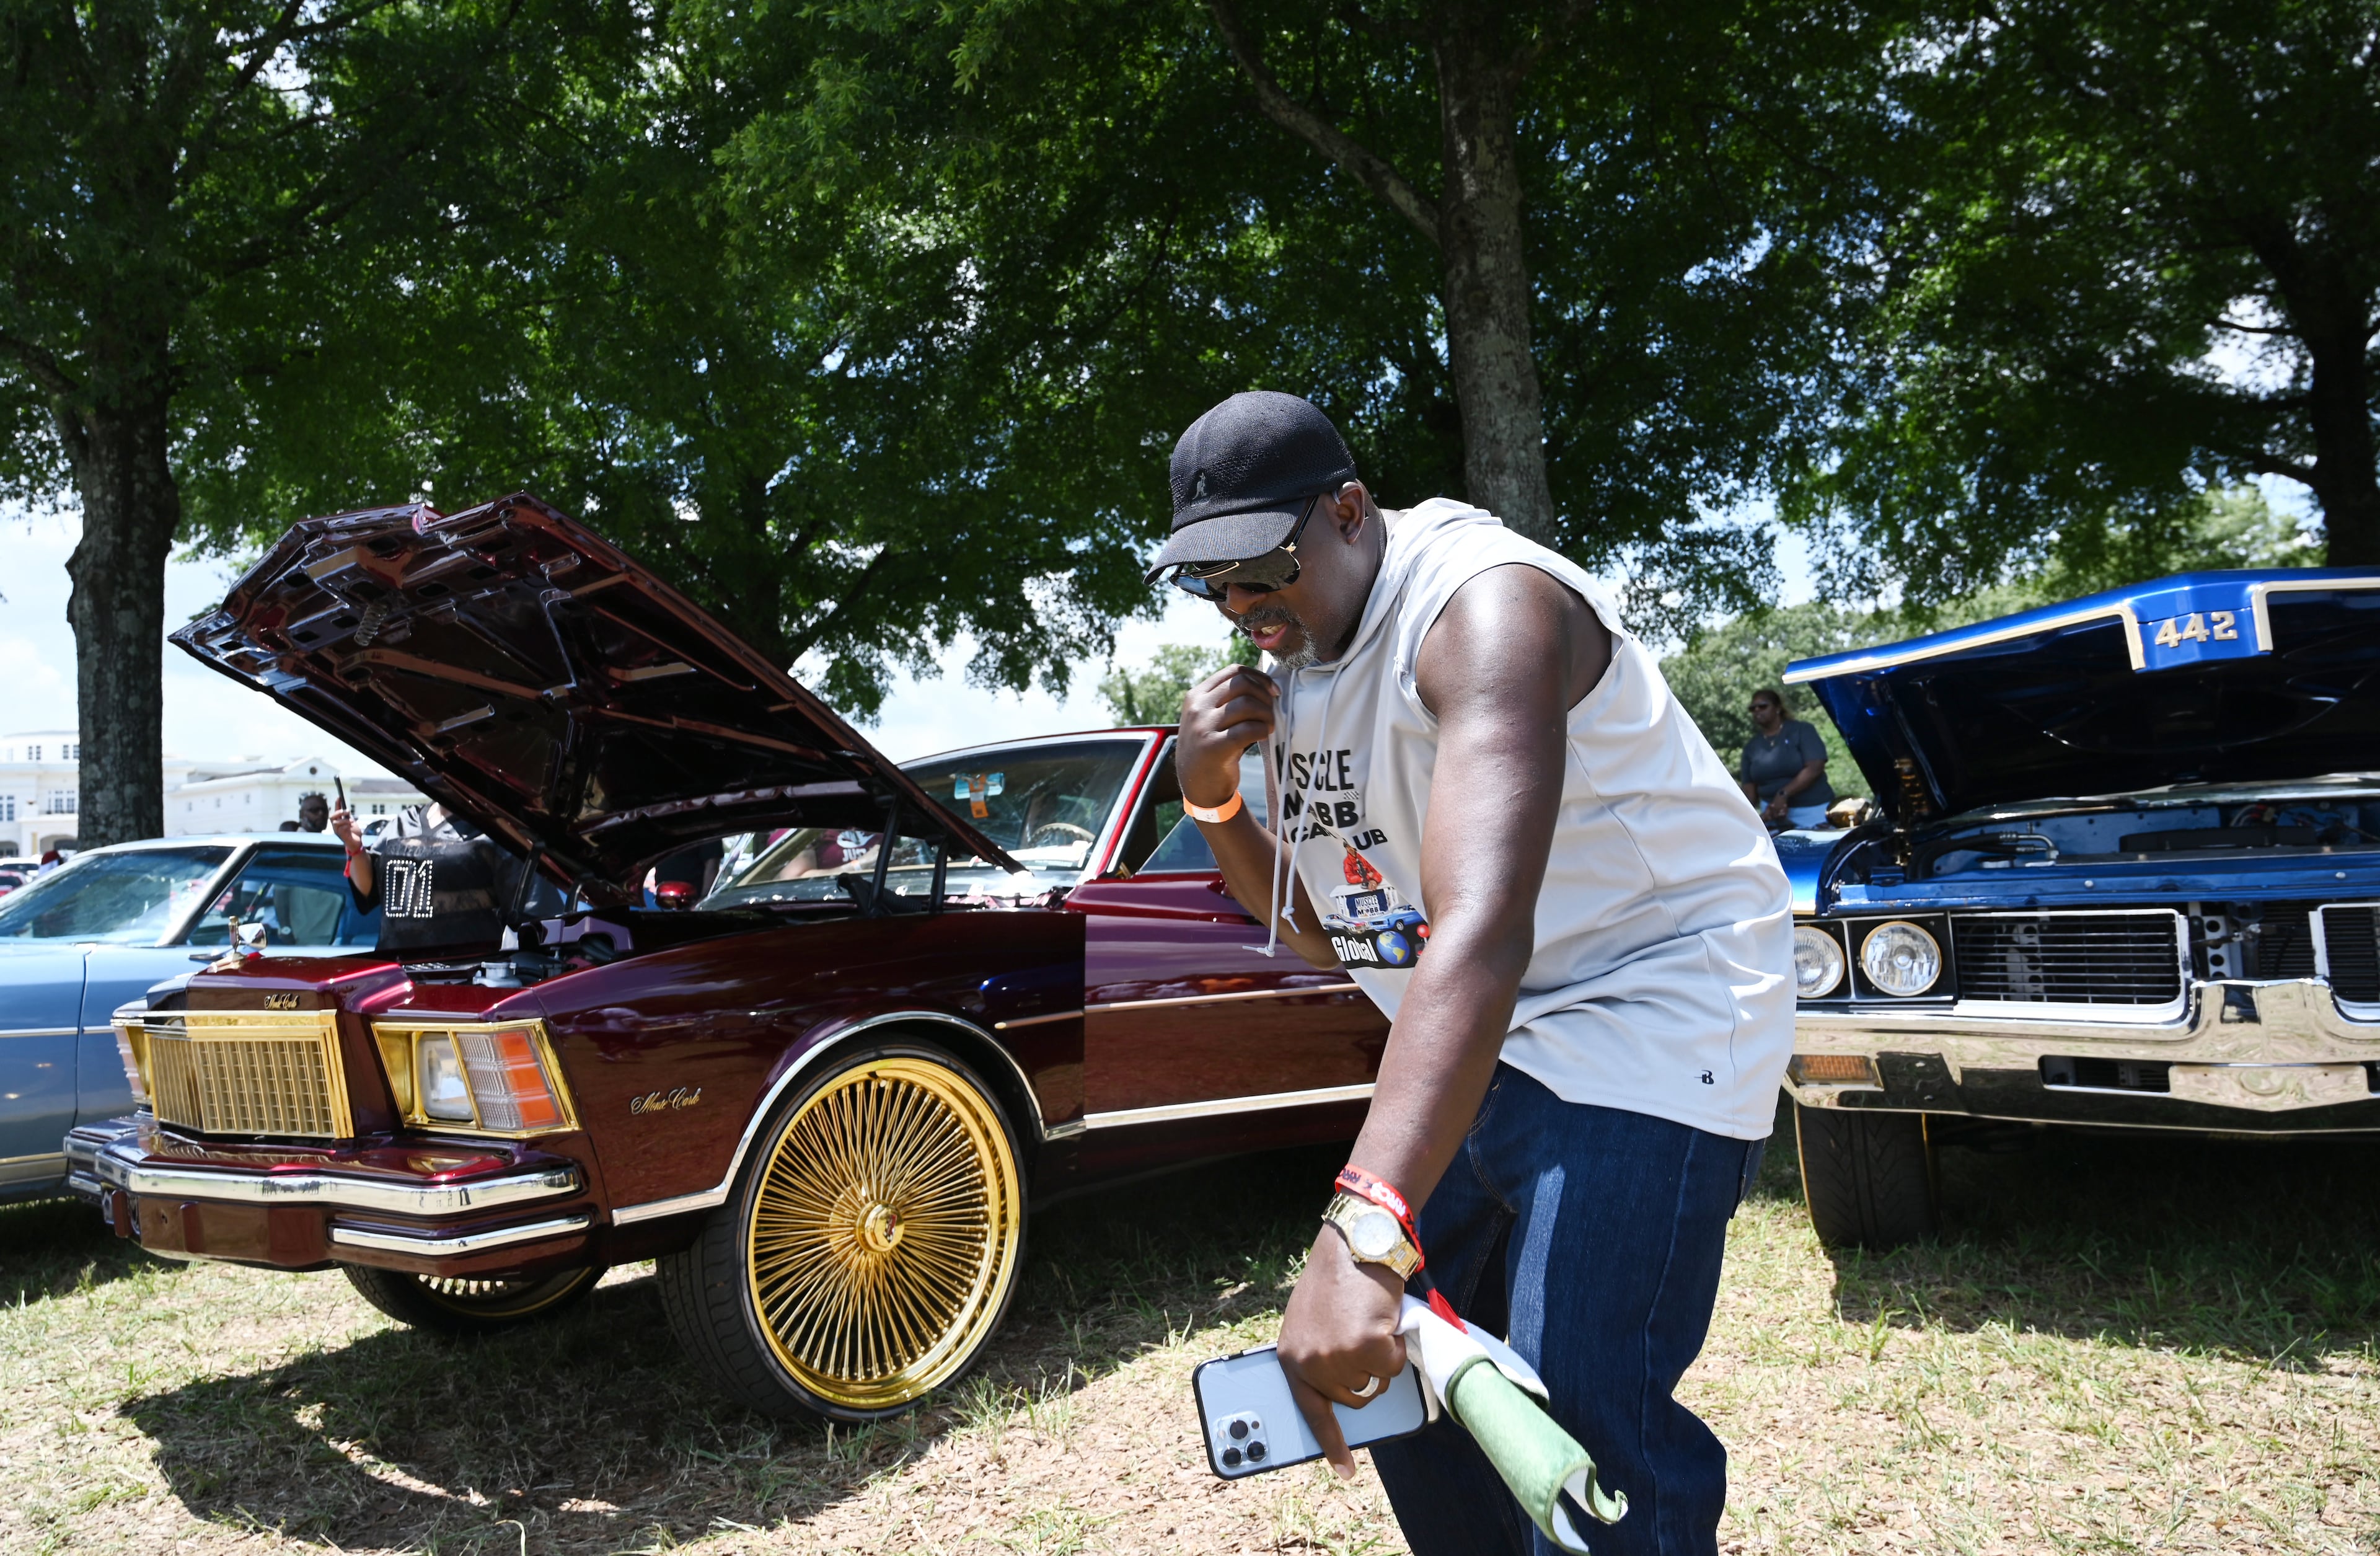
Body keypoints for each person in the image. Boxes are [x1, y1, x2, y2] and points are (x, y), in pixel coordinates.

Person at [1155, 391, 1792, 1556]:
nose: (1244, 609)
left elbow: (1481, 924)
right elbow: (1333, 930)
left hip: (1653, 1001)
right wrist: (1212, 801)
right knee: (1402, 1376)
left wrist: (1361, 1230)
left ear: (1348, 512)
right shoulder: (1296, 669)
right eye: (1213, 585)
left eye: (1261, 570)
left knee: (1585, 1413)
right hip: (1491, 1029)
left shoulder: (1485, 605)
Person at [328, 798, 559, 957]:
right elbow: (370, 892)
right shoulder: (404, 822)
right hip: (396, 974)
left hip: (463, 977)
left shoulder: (496, 830)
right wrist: (354, 847)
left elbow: (537, 919)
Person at [1738, 689, 1834, 831]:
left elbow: (1815, 767)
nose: (1757, 711)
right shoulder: (1751, 747)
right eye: (1753, 709)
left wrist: (1783, 794)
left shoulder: (1802, 730)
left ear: (1777, 708)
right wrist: (1757, 816)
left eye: (1763, 706)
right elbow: (1749, 790)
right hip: (1773, 817)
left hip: (1814, 810)